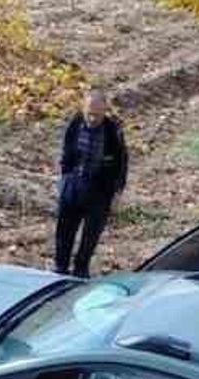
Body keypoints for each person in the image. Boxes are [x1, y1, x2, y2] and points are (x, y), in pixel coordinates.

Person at [54, 89, 128, 279]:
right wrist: (64, 181)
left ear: (105, 110)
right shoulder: (75, 124)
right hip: (73, 186)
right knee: (64, 231)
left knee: (90, 237)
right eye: (89, 114)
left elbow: (121, 164)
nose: (92, 119)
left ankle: (80, 270)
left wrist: (117, 193)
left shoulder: (113, 132)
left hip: (99, 191)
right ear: (83, 109)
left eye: (97, 114)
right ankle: (60, 268)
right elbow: (65, 154)